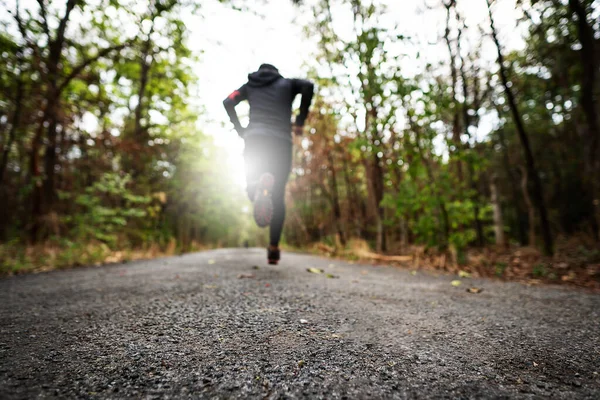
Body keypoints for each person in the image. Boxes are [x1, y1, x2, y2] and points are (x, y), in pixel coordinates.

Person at [223, 63, 314, 265]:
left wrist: (240, 130)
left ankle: (256, 187)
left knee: (252, 185)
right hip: (281, 141)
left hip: (255, 139)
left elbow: (228, 102)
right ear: (277, 72)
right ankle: (273, 248)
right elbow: (308, 86)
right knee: (278, 195)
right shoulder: (287, 84)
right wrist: (299, 121)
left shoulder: (250, 85)